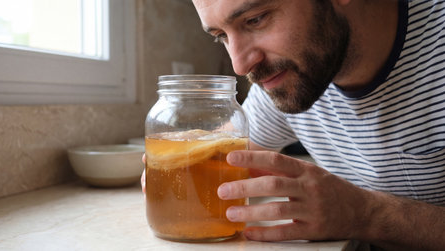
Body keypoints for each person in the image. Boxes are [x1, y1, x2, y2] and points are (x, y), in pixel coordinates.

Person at [143, 0, 445, 250]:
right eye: (221, 35)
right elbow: (226, 158)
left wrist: (366, 213)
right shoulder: (287, 79)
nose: (240, 64)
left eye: (256, 19)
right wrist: (179, 168)